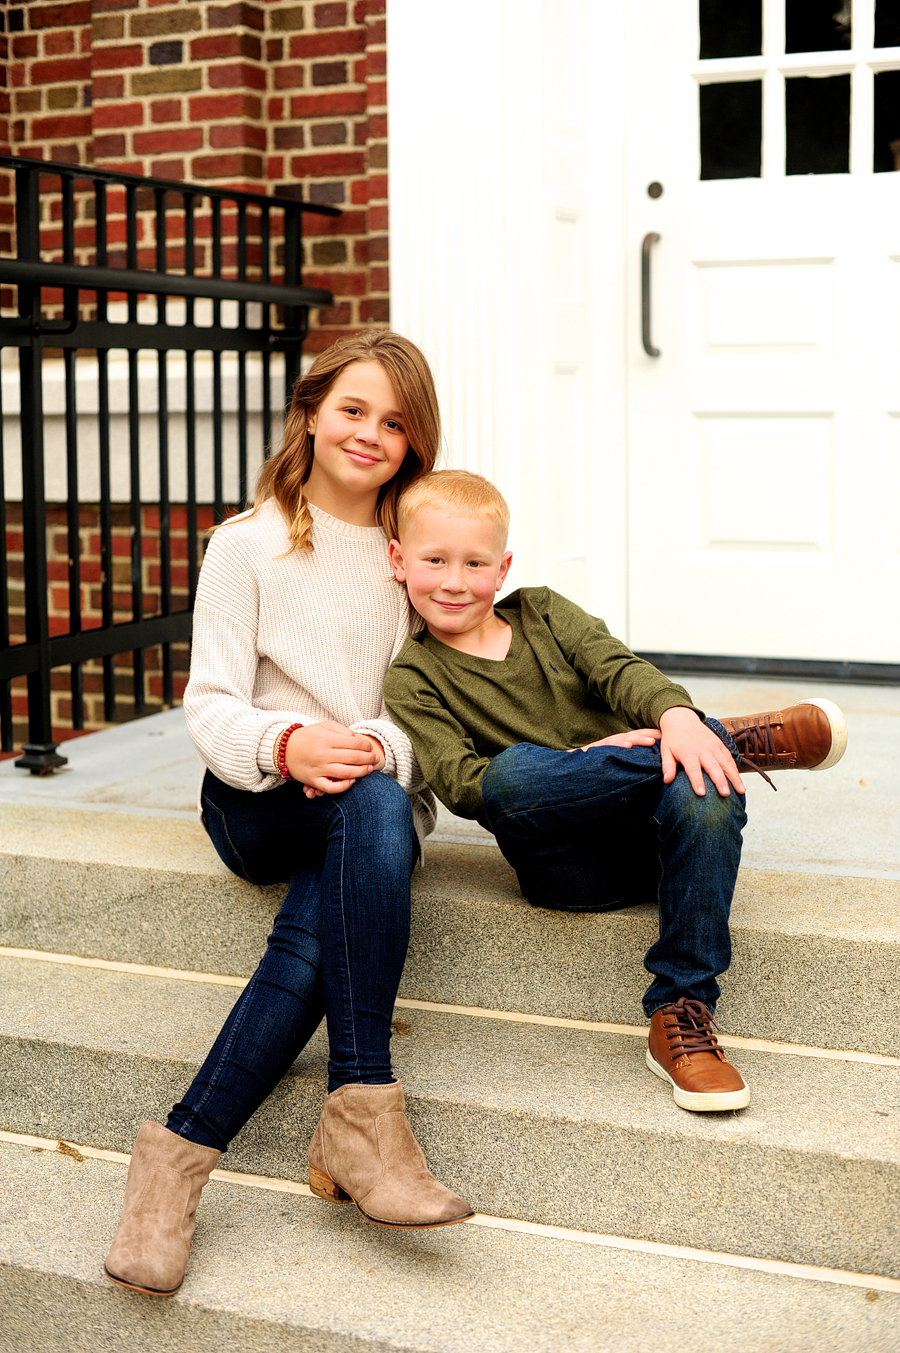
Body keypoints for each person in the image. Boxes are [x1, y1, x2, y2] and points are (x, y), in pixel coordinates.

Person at [104, 333, 473, 1300]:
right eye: (354, 409)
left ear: (416, 442)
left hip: (370, 802)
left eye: (397, 422)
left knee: (368, 828)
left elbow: (436, 710)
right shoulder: (247, 544)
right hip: (257, 800)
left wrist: (372, 750)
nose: (371, 433)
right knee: (367, 823)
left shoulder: (413, 552)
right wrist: (287, 745)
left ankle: (177, 1162)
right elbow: (211, 703)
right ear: (311, 410)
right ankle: (363, 1123)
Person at [383, 469, 847, 1115]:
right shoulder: (413, 675)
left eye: (475, 562)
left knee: (701, 781)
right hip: (568, 865)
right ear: (399, 561)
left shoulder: (543, 609)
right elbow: (465, 786)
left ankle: (681, 1014)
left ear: (503, 566)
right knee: (510, 776)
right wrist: (583, 757)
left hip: (655, 837)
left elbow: (619, 668)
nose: (455, 580)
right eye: (435, 560)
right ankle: (733, 741)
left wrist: (677, 717)